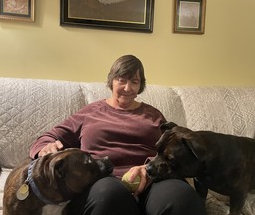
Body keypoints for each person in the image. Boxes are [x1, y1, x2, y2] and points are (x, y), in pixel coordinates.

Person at [30, 55, 206, 215]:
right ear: (111, 81)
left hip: (152, 181)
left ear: (141, 85)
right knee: (110, 196)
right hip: (103, 179)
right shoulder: (91, 112)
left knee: (184, 198)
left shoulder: (153, 115)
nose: (128, 88)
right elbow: (48, 137)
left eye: (134, 82)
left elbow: (173, 152)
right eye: (122, 80)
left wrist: (147, 168)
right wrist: (46, 148)